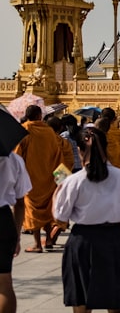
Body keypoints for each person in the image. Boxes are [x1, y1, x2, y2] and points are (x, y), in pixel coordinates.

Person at [53, 127, 120, 312]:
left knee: (82, 300)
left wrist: (57, 192)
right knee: (116, 299)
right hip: (114, 239)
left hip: (83, 240)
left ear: (79, 150)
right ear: (106, 147)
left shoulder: (73, 180)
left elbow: (60, 215)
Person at [14, 104, 62, 253]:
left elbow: (16, 156)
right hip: (49, 178)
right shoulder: (49, 132)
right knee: (47, 210)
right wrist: (61, 180)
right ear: (40, 116)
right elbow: (58, 155)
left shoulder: (24, 130)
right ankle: (48, 239)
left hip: (30, 178)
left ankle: (37, 244)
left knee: (33, 211)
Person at [0, 141, 31, 313]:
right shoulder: (14, 160)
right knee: (4, 282)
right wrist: (17, 235)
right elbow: (20, 203)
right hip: (3, 220)